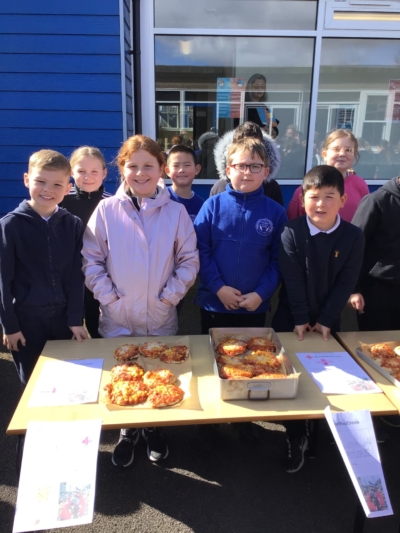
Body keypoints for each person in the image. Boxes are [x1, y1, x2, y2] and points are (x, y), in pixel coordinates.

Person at [82, 135, 199, 467]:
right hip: (117, 316)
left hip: (160, 315)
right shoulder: (105, 210)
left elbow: (189, 261)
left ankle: (154, 427)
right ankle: (127, 430)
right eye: (133, 166)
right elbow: (91, 260)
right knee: (124, 378)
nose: (141, 173)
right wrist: (110, 298)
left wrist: (169, 298)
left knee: (160, 375)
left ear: (162, 169)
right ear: (122, 169)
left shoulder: (176, 212)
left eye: (149, 165)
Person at [272, 165, 364, 473]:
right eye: (314, 196)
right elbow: (292, 278)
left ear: (343, 199)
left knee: (325, 382)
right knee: (290, 381)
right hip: (290, 319)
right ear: (302, 198)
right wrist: (300, 317)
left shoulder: (353, 237)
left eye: (329, 196)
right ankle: (294, 434)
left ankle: (315, 429)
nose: (321, 204)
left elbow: (346, 282)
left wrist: (326, 318)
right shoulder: (291, 232)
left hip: (327, 323)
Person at [0, 150, 88, 387]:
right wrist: (10, 326)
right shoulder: (10, 225)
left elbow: (75, 277)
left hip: (62, 320)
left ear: (68, 187)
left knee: (68, 381)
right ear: (27, 179)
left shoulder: (72, 224)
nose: (48, 190)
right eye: (40, 182)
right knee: (34, 384)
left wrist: (75, 319)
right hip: (27, 322)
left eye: (57, 184)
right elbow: (2, 282)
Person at [195, 136, 287, 332]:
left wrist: (261, 294)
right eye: (240, 166)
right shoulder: (212, 206)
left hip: (253, 305)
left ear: (266, 172)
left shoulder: (276, 212)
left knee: (253, 359)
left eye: (255, 166)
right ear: (228, 170)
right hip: (214, 302)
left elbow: (278, 259)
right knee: (213, 356)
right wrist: (218, 288)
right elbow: (200, 250)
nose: (247, 172)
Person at [60, 146, 112, 339]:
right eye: (81, 171)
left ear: (104, 173)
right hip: (67, 274)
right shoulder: (61, 200)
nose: (87, 177)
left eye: (94, 171)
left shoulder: (112, 203)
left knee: (96, 324)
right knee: (68, 326)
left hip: (99, 273)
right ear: (72, 172)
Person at [349, 176, 400, 331]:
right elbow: (354, 248)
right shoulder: (376, 201)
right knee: (376, 349)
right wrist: (353, 289)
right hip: (378, 293)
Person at [287, 130, 369, 222]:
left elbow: (366, 219)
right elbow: (293, 225)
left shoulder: (360, 185)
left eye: (348, 150)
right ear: (324, 155)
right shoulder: (307, 189)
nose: (342, 154)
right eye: (336, 149)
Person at [211, 121, 283, 206]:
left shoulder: (272, 188)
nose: (249, 149)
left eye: (256, 146)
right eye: (242, 145)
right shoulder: (219, 187)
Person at [165, 144, 204, 222]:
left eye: (187, 165)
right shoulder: (159, 199)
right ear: (167, 171)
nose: (181, 170)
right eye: (176, 166)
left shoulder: (202, 206)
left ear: (197, 169)